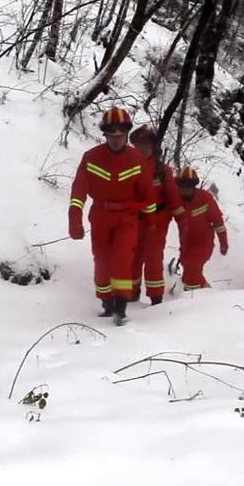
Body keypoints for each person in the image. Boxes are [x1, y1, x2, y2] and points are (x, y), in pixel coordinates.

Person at [68, 107, 156, 325]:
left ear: (127, 133)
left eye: (120, 136)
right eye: (111, 135)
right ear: (104, 134)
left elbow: (149, 195)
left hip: (127, 218)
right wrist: (75, 220)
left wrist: (150, 221)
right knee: (101, 260)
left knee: (122, 259)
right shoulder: (91, 158)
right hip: (100, 216)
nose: (116, 140)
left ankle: (121, 306)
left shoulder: (137, 159)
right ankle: (106, 302)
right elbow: (78, 192)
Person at [128, 124, 180, 305]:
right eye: (138, 144)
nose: (142, 148)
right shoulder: (126, 167)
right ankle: (132, 293)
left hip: (157, 221)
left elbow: (173, 197)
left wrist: (183, 222)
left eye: (146, 144)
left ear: (153, 147)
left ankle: (156, 298)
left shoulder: (162, 170)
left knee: (153, 257)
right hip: (133, 220)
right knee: (132, 257)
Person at [172, 166, 228, 291]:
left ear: (193, 185)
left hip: (204, 243)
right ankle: (208, 292)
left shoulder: (205, 198)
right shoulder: (174, 199)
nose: (185, 189)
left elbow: (218, 222)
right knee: (188, 274)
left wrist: (223, 242)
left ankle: (192, 301)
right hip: (186, 243)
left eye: (188, 185)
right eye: (182, 185)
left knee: (192, 270)